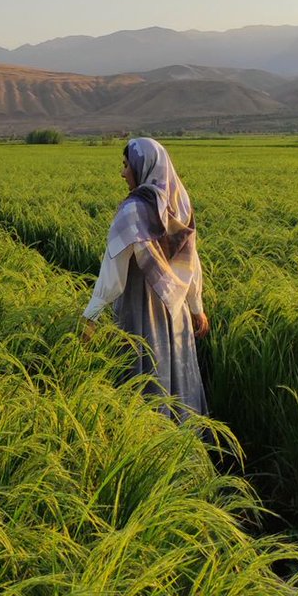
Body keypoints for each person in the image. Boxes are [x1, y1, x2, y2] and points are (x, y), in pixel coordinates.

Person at [82, 137, 209, 419]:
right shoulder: (181, 207)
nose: (123, 172)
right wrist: (196, 307)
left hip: (141, 308)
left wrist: (90, 316)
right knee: (177, 369)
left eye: (127, 165)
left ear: (143, 166)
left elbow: (112, 271)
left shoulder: (133, 211)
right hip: (176, 311)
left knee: (146, 373)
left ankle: (148, 444)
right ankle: (183, 440)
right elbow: (191, 262)